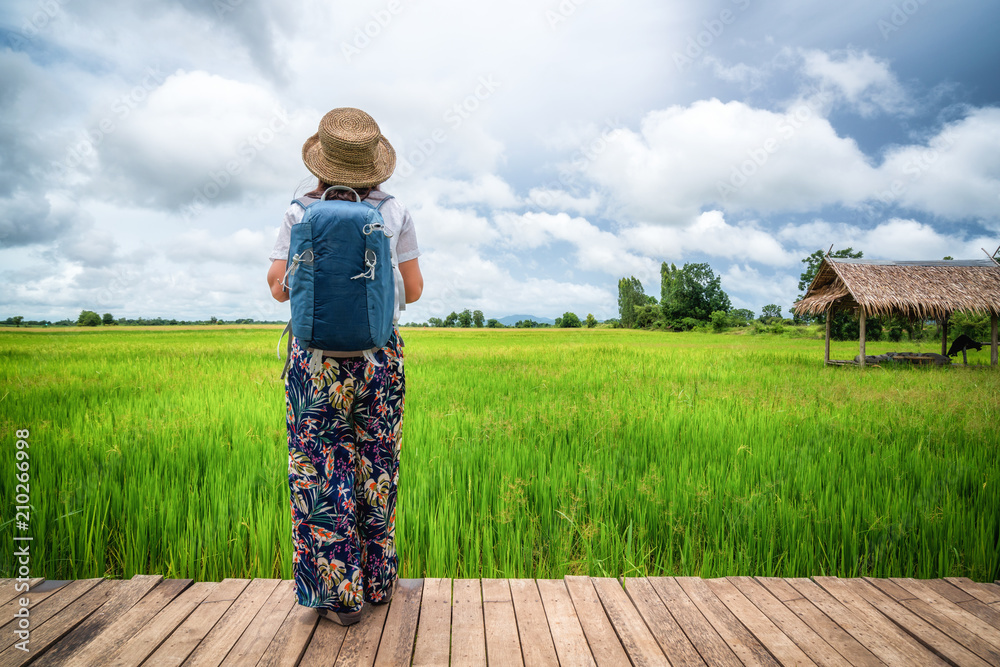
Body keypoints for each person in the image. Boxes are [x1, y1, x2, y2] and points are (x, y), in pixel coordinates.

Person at [266, 107, 422, 626]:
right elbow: (416, 292)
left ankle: (340, 598)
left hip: (314, 364)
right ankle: (378, 583)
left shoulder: (299, 211)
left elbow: (277, 288)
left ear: (322, 160)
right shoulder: (394, 210)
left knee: (320, 473)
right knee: (376, 467)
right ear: (373, 164)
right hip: (380, 361)